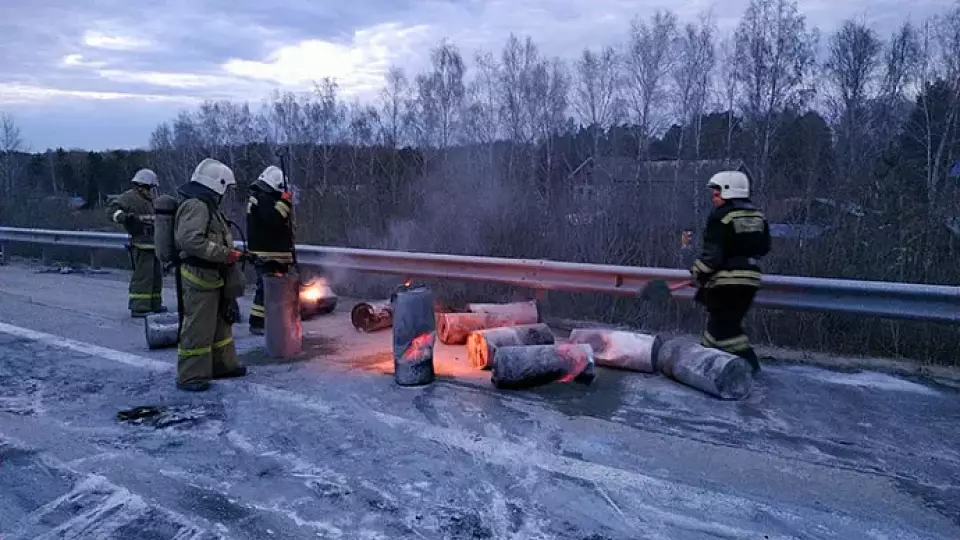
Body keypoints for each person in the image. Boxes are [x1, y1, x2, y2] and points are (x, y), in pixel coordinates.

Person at [173, 158, 247, 392]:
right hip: (199, 275)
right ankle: (191, 375)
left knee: (220, 324)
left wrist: (230, 255)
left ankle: (222, 365)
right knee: (198, 326)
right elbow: (190, 240)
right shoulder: (197, 206)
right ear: (219, 184)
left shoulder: (208, 206)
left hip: (212, 274)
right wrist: (225, 254)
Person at [689, 171, 771, 374]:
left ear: (728, 192)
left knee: (725, 330)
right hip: (750, 280)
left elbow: (712, 256)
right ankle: (708, 363)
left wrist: (697, 272)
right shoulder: (758, 216)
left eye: (716, 193)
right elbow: (764, 247)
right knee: (720, 325)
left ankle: (749, 368)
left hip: (726, 282)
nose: (713, 197)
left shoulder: (722, 217)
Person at [108, 168, 167, 317]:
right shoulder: (129, 197)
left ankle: (154, 304)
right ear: (142, 185)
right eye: (149, 187)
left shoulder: (150, 199)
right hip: (141, 242)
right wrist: (124, 217)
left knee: (155, 276)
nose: (151, 190)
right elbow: (112, 211)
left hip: (154, 243)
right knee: (143, 276)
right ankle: (139, 307)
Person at [245, 165, 295, 335]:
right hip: (269, 254)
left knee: (269, 289)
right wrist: (285, 202)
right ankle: (258, 323)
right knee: (267, 289)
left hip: (267, 252)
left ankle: (268, 320)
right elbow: (274, 220)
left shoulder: (259, 198)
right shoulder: (265, 199)